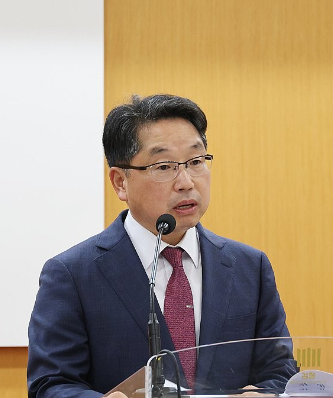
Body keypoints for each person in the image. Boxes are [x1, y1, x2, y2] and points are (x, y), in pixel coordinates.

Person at [27, 94, 294, 398]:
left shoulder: (249, 267)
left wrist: (266, 394)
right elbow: (50, 385)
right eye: (164, 166)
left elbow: (280, 372)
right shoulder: (73, 274)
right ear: (120, 182)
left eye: (196, 162)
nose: (186, 182)